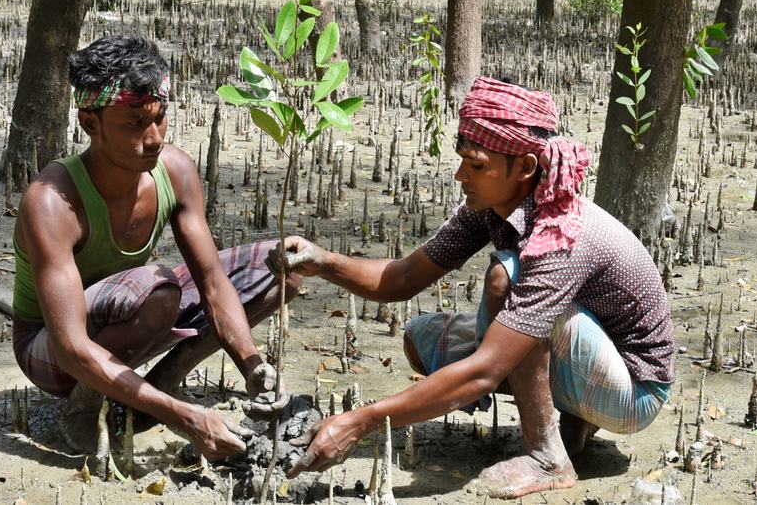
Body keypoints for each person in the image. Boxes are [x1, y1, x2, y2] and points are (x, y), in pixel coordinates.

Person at [271, 76, 675, 497]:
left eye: (477, 165)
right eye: (462, 159)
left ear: (524, 168)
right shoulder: (491, 206)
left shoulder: (561, 234)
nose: (462, 174)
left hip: (633, 391)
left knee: (507, 278)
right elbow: (406, 276)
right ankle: (572, 423)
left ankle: (549, 456)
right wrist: (324, 261)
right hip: (586, 355)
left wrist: (361, 420)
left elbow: (485, 371)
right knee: (424, 339)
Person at [11, 36, 296, 460]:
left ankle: (162, 383)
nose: (154, 137)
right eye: (133, 125)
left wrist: (252, 365)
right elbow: (70, 346)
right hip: (52, 351)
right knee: (159, 291)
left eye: (160, 119)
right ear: (90, 124)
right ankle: (83, 410)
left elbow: (214, 284)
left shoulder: (175, 171)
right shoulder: (51, 200)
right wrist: (185, 418)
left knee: (285, 269)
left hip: (125, 314)